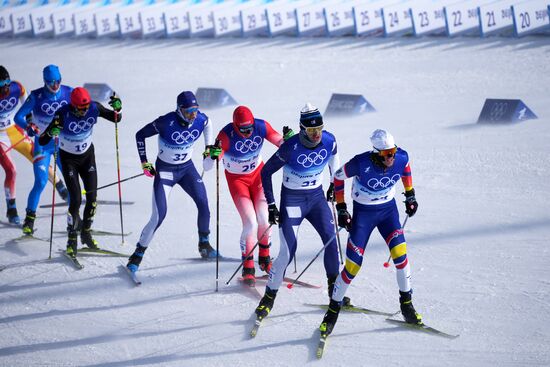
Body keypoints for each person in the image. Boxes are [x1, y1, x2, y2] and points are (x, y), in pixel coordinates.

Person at [318, 129, 421, 338]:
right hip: (364, 214)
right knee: (353, 266)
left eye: (392, 151)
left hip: (388, 212)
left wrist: (410, 194)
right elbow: (338, 177)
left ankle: (407, 304)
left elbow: (406, 167)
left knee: (401, 257)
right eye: (386, 154)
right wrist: (341, 208)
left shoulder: (400, 157)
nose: (391, 157)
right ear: (375, 153)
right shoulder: (360, 162)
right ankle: (332, 312)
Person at [254, 103, 341, 321]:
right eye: (312, 131)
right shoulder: (289, 148)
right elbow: (266, 173)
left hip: (317, 199)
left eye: (319, 129)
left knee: (331, 241)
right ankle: (269, 297)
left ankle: (334, 292)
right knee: (288, 250)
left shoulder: (329, 140)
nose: (316, 135)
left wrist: (333, 182)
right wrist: (272, 204)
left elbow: (334, 155)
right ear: (302, 129)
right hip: (292, 200)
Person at [127, 91, 217, 273]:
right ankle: (137, 254)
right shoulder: (165, 122)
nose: (193, 114)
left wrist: (208, 148)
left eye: (196, 110)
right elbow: (140, 135)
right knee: (159, 216)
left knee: (204, 203)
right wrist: (144, 162)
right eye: (189, 111)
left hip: (187, 170)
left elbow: (208, 123)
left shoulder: (200, 119)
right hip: (166, 172)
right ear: (179, 110)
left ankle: (204, 245)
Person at [210, 105, 294, 285]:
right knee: (250, 223)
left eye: (249, 129)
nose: (248, 133)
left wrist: (289, 140)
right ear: (235, 126)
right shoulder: (225, 135)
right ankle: (248, 265)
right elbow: (210, 164)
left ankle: (265, 258)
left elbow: (280, 142)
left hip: (258, 177)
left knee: (265, 219)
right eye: (243, 130)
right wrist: (212, 155)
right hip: (237, 181)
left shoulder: (261, 126)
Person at [39, 87, 122, 257]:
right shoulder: (62, 114)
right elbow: (42, 140)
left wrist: (118, 108)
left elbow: (116, 119)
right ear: (73, 105)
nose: (84, 112)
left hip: (87, 158)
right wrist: (50, 131)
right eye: (80, 109)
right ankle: (71, 239)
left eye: (85, 108)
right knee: (75, 200)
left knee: (92, 198)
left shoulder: (94, 107)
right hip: (69, 160)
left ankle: (86, 232)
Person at [0, 65, 67, 225]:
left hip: (14, 130)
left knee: (37, 156)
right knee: (12, 170)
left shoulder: (17, 88)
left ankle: (60, 186)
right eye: (1, 86)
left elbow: (25, 106)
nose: (6, 89)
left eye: (7, 83)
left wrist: (29, 124)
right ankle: (11, 209)